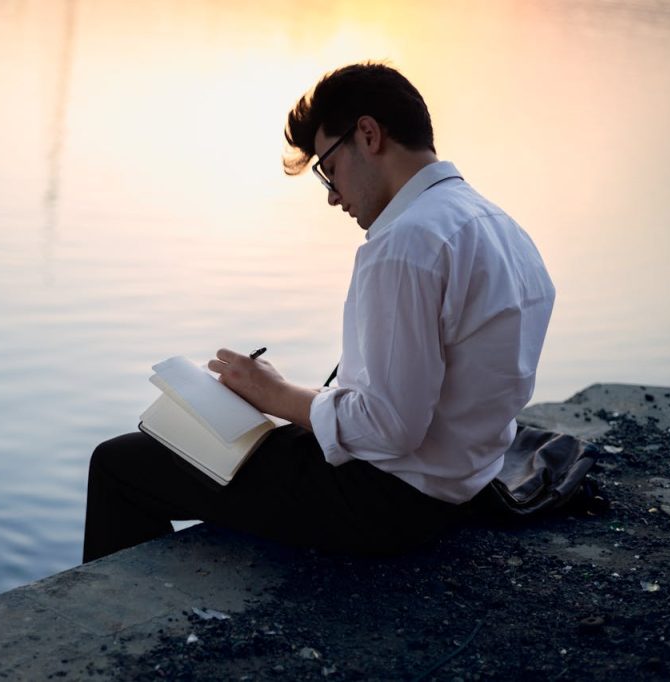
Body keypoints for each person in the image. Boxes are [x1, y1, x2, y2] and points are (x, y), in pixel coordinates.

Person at [82, 62, 555, 563]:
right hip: (463, 481)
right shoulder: (498, 224)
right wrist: (285, 393)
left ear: (368, 135)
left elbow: (391, 428)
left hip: (386, 501)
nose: (332, 195)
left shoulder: (406, 244)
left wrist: (275, 395)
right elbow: (417, 401)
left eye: (329, 169)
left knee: (118, 465)